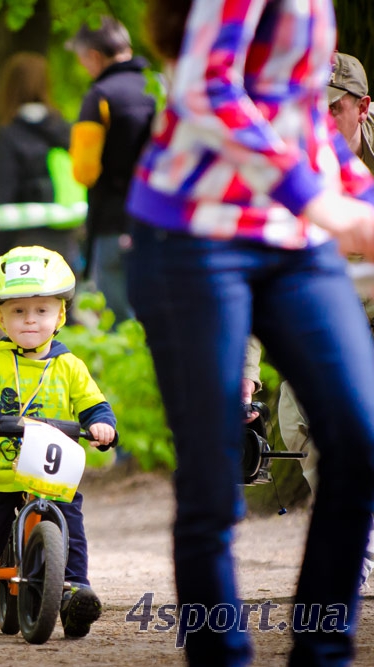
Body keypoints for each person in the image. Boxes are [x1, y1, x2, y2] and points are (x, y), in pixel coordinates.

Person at [130, 2, 374, 664]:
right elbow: (204, 87)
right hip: (194, 236)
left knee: (360, 438)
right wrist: (318, 201)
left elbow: (301, 119)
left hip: (290, 240)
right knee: (214, 477)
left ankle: (322, 653)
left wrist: (363, 197)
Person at [242, 51, 374, 587]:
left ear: (363, 107)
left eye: (333, 111)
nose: (321, 125)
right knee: (300, 423)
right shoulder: (285, 172)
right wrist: (244, 371)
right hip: (324, 311)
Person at [0, 245, 118, 637]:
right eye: (18, 311)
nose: (30, 320)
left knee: (69, 523)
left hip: (51, 475)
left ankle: (73, 592)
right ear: (0, 317)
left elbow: (93, 404)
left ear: (60, 315)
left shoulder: (69, 366)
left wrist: (103, 427)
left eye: (41, 310)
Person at [66, 16, 156, 326]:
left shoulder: (98, 97)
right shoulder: (161, 87)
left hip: (113, 223)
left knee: (121, 324)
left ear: (93, 56)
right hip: (163, 223)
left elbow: (84, 171)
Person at [0, 52, 76, 268]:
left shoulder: (10, 134)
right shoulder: (64, 129)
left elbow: (4, 195)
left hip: (23, 243)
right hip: (66, 235)